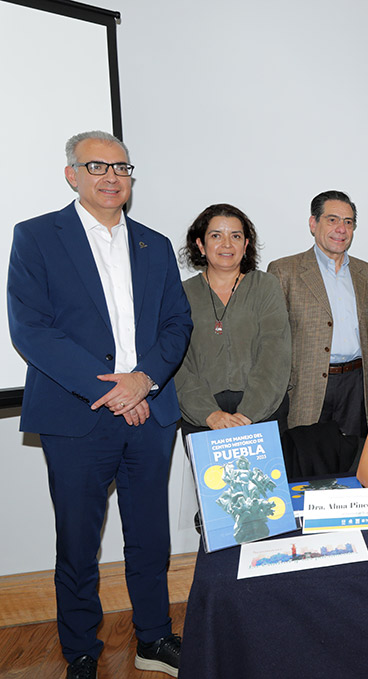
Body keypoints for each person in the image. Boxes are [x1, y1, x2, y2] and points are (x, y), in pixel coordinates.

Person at [7, 131, 192, 679]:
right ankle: (81, 649)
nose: (111, 176)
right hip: (76, 415)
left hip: (150, 413)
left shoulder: (153, 244)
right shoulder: (37, 237)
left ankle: (154, 639)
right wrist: (113, 391)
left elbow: (176, 323)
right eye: (96, 166)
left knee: (150, 537)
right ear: (72, 174)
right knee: (79, 542)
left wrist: (144, 381)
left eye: (122, 167)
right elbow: (31, 331)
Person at [267, 191, 368, 436]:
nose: (341, 228)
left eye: (348, 222)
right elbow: (274, 340)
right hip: (307, 387)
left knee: (354, 464)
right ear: (313, 223)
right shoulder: (284, 271)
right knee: (309, 465)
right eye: (332, 220)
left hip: (356, 386)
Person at [174, 204, 291, 437]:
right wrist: (209, 414)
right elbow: (176, 363)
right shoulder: (180, 295)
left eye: (235, 236)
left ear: (246, 245)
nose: (227, 244)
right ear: (200, 244)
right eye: (216, 235)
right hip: (203, 419)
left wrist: (247, 414)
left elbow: (275, 354)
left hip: (261, 416)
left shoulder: (265, 286)